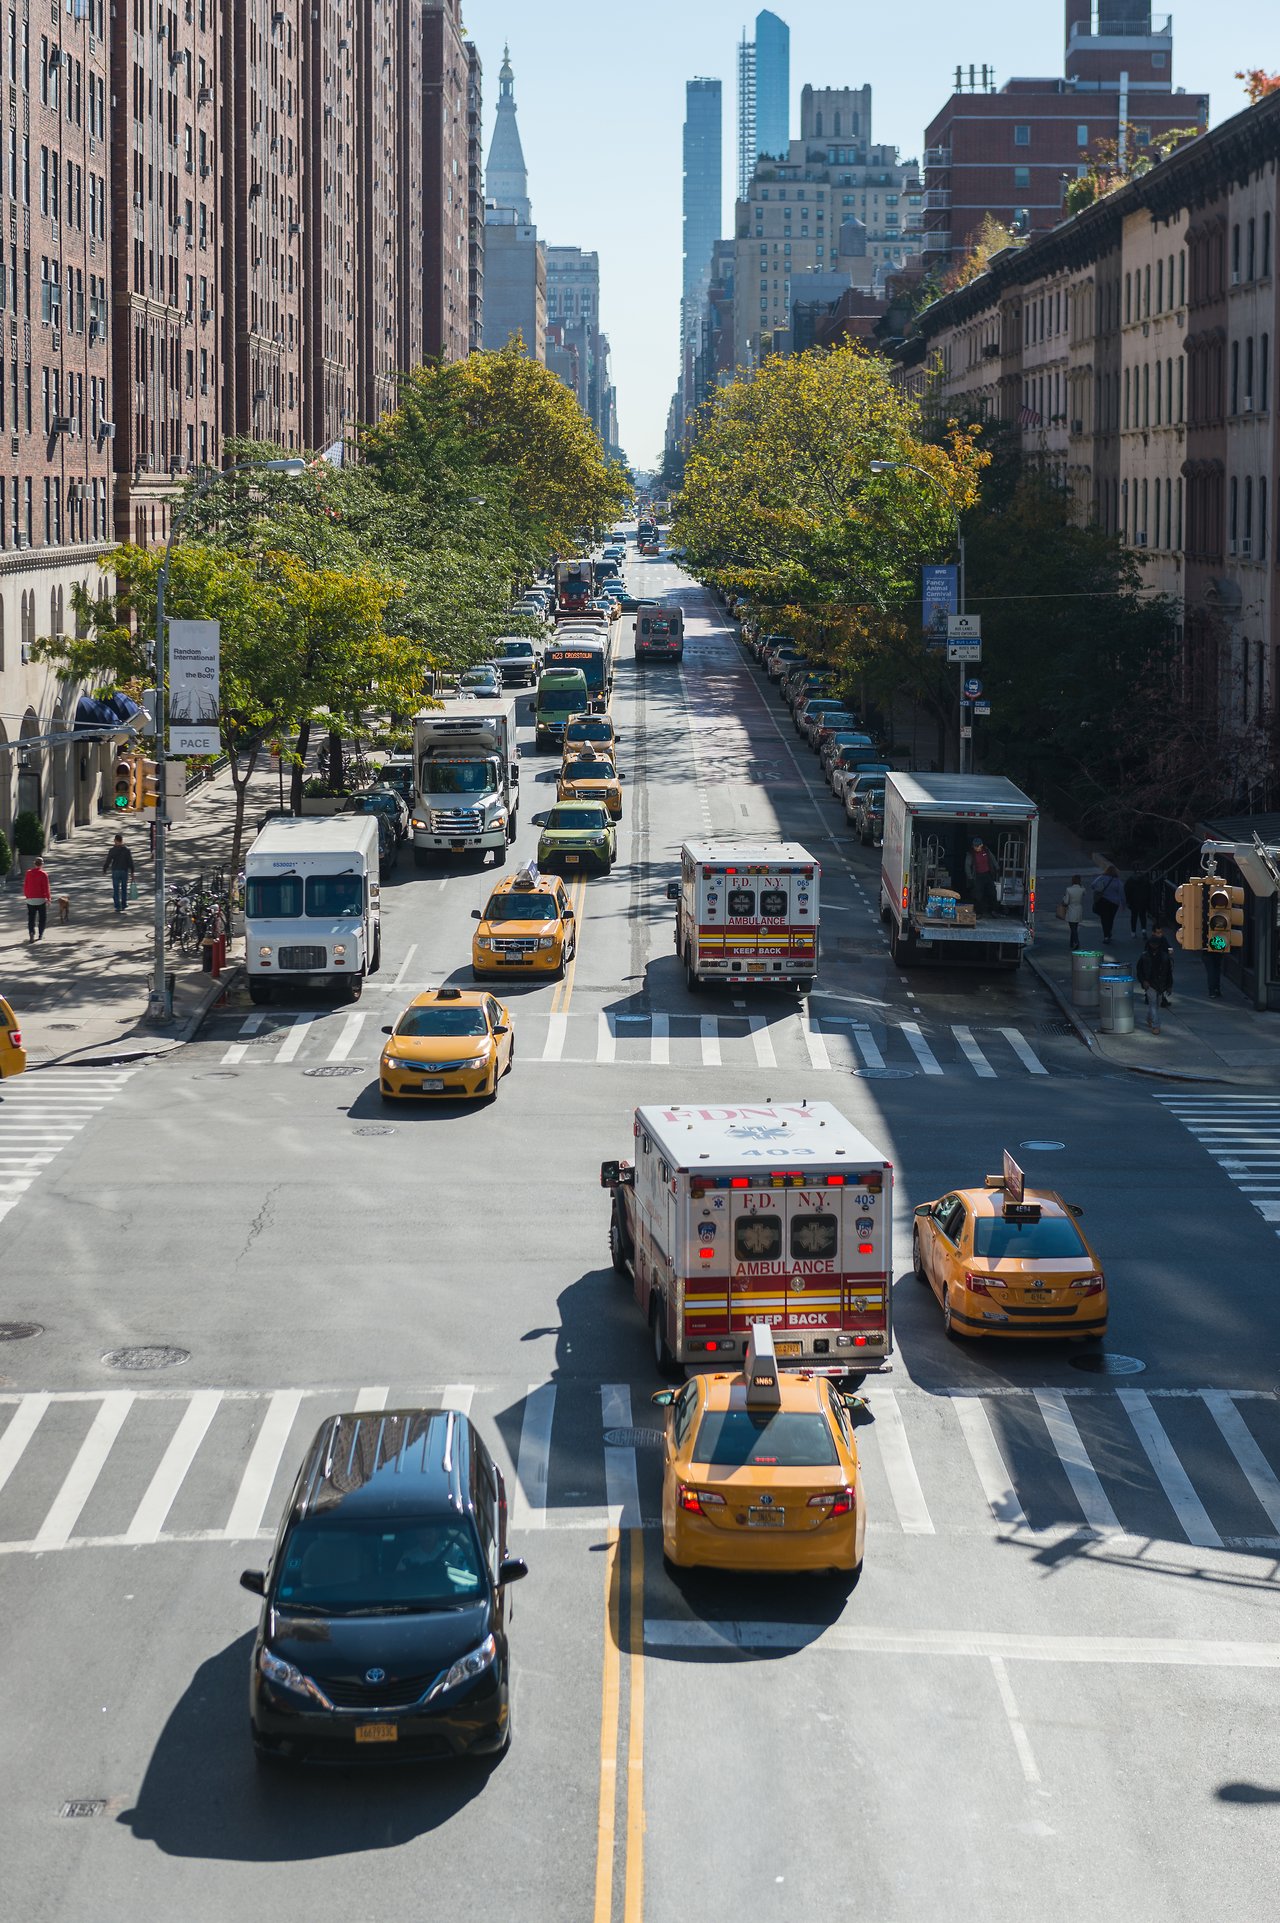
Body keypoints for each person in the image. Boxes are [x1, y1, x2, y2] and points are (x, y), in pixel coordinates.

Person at [1136, 926, 1174, 1033]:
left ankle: (1150, 1018)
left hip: (1160, 984)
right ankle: (1156, 1025)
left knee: (1155, 1004)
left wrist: (1169, 985)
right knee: (1153, 1004)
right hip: (1151, 984)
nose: (1154, 947)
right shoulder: (1145, 957)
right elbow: (1140, 971)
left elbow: (1168, 972)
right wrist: (1144, 981)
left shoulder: (1164, 958)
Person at [965, 835, 999, 917]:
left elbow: (992, 859)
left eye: (978, 846)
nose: (976, 848)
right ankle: (979, 912)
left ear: (981, 845)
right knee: (977, 895)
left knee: (992, 893)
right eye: (975, 846)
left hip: (987, 874)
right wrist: (970, 877)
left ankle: (994, 910)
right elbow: (967, 865)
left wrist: (997, 867)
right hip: (977, 876)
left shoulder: (986, 851)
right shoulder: (970, 854)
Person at [1091, 865, 1124, 943]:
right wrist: (1123, 904)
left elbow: (1092, 885)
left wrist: (1100, 888)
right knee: (1111, 918)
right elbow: (1122, 893)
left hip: (1103, 901)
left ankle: (1106, 935)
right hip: (1114, 903)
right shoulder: (1118, 881)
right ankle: (1109, 932)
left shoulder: (1101, 878)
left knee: (1104, 918)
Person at [102, 832, 135, 911]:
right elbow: (130, 861)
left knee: (116, 889)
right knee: (124, 888)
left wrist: (105, 869)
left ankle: (117, 906)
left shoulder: (112, 850)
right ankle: (124, 904)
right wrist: (132, 872)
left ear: (115, 841)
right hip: (124, 871)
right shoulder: (126, 850)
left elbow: (108, 860)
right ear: (122, 840)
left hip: (115, 871)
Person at [22, 856, 51, 942]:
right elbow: (46, 888)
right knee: (42, 917)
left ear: (34, 864)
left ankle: (31, 933)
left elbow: (25, 885)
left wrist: (27, 895)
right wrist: (48, 898)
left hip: (30, 898)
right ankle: (40, 934)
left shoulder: (28, 873)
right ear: (42, 864)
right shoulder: (44, 874)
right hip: (41, 899)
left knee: (31, 917)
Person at [1061, 874, 1086, 950]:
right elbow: (1084, 893)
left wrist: (1064, 897)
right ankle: (1071, 942)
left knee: (1073, 928)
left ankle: (1076, 941)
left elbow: (1066, 901)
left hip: (1071, 909)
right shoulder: (1082, 889)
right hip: (1079, 909)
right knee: (1075, 927)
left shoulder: (1069, 889)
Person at [1124, 870, 1152, 935]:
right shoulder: (1146, 880)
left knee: (1134, 916)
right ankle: (1143, 929)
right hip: (1143, 901)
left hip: (1133, 901)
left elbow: (1126, 891)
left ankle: (1133, 931)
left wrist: (1127, 900)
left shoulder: (1130, 880)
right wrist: (1148, 900)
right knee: (1143, 915)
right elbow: (1149, 891)